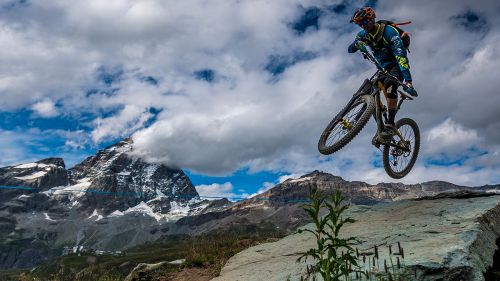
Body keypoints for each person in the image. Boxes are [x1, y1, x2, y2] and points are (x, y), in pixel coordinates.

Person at [347, 7, 416, 140]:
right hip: (382, 68)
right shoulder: (362, 35)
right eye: (359, 24)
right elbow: (350, 49)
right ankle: (380, 127)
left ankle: (390, 124)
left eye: (364, 22)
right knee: (370, 89)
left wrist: (408, 81)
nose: (362, 26)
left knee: (390, 85)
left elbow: (401, 57)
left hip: (395, 65)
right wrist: (357, 44)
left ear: (372, 19)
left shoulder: (389, 32)